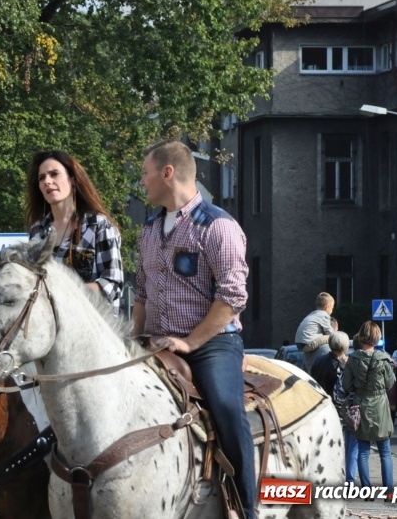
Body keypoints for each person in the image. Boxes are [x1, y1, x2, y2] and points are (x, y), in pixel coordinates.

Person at [132, 140, 255, 519]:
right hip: (154, 342)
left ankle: (247, 507)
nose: (141, 182)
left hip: (213, 345)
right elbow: (140, 292)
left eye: (145, 173)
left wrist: (189, 342)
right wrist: (133, 339)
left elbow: (233, 297)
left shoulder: (218, 226)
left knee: (227, 408)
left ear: (168, 173)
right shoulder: (150, 229)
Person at [25, 150, 124, 309]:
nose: (47, 181)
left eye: (54, 174)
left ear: (72, 179)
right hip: (52, 327)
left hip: (93, 326)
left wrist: (64, 292)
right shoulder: (37, 231)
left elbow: (112, 284)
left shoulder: (99, 225)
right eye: (41, 178)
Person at [343, 321, 395, 500]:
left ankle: (367, 491)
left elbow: (346, 384)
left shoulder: (353, 359)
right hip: (380, 405)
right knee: (385, 452)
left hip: (361, 405)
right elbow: (390, 383)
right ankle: (389, 492)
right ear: (377, 337)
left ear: (361, 336)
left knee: (363, 452)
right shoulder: (383, 359)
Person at [309, 331, 358, 484]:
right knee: (339, 443)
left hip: (320, 406)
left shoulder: (319, 361)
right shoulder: (342, 365)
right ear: (345, 346)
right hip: (336, 408)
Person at [294, 292, 336, 373]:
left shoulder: (313, 314)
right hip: (308, 343)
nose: (332, 310)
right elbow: (330, 332)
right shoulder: (324, 315)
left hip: (300, 344)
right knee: (333, 338)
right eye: (332, 308)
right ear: (327, 307)